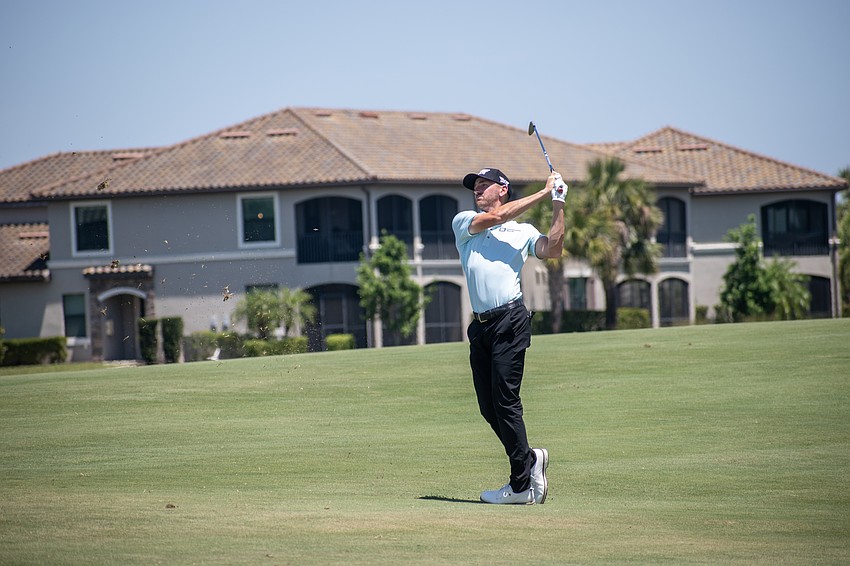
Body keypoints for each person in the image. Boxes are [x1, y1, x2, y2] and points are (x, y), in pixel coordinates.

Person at [451, 167, 566, 504]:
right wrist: (545, 192)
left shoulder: (522, 231)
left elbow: (553, 249)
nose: (477, 190)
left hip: (510, 321)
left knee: (505, 400)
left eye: (484, 185)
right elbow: (496, 216)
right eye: (475, 186)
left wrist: (558, 204)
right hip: (480, 327)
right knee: (489, 408)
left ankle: (520, 487)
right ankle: (529, 460)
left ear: (503, 189)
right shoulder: (465, 223)